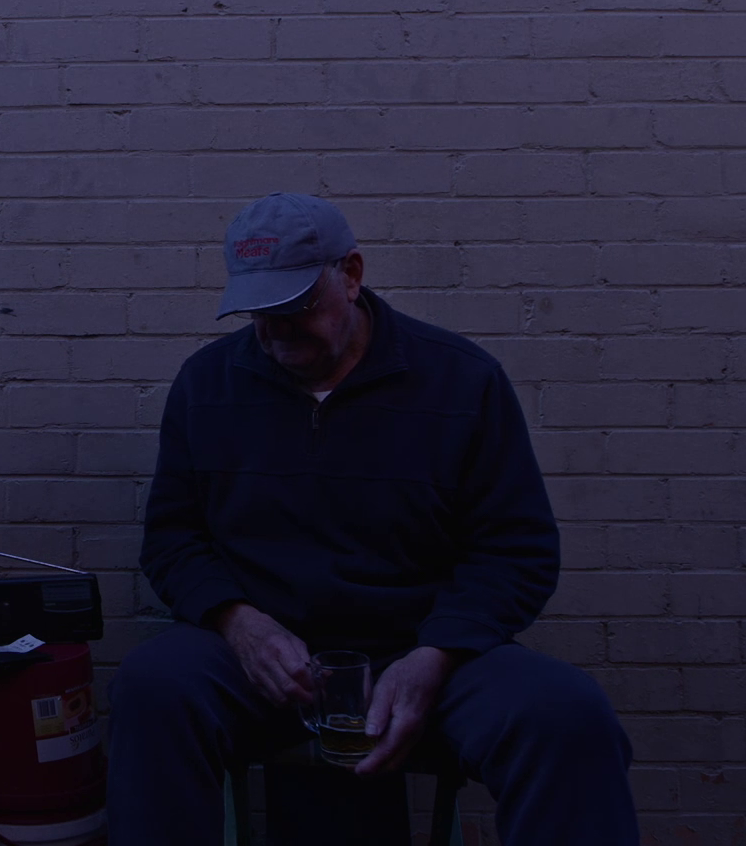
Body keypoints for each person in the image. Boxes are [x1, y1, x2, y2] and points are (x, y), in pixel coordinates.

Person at [107, 193, 637, 846]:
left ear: (352, 274)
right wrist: (238, 623)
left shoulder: (460, 383)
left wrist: (436, 655)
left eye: (295, 308)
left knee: (568, 718)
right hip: (264, 656)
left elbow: (517, 551)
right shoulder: (208, 384)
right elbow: (173, 539)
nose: (275, 336)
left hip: (426, 652)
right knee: (152, 689)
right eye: (258, 315)